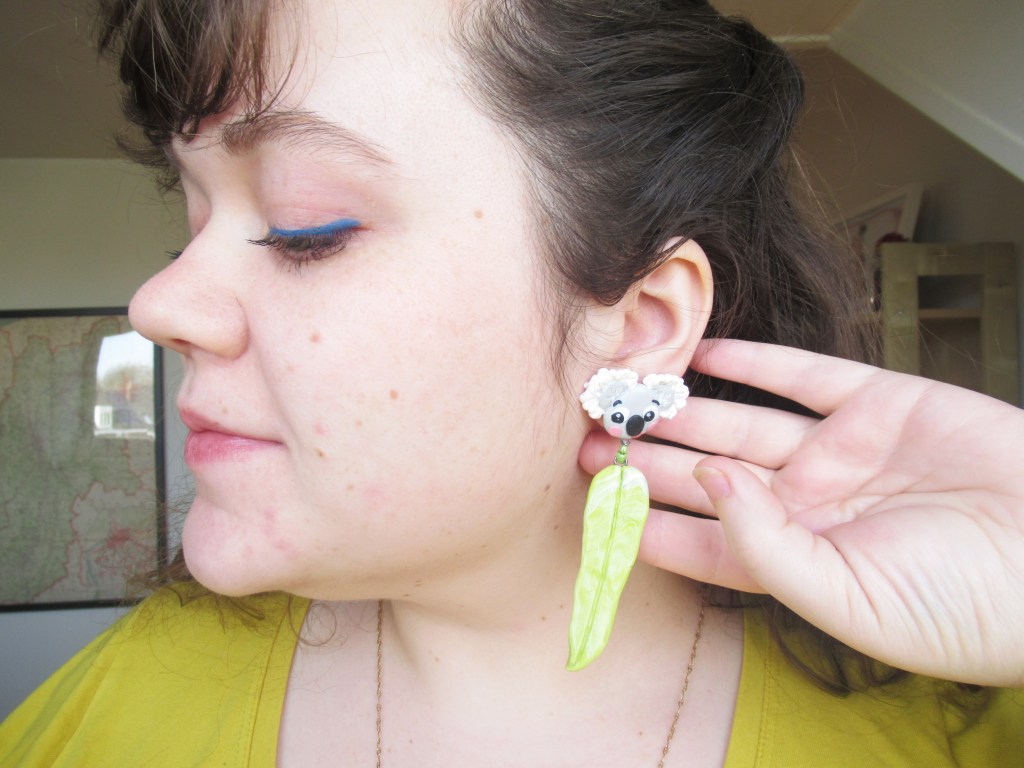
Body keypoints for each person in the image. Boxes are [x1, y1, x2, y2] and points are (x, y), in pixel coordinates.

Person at [2, 0, 1022, 765]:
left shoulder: (958, 726)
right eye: (192, 219)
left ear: (639, 326)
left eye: (304, 229)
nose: (161, 304)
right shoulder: (111, 714)